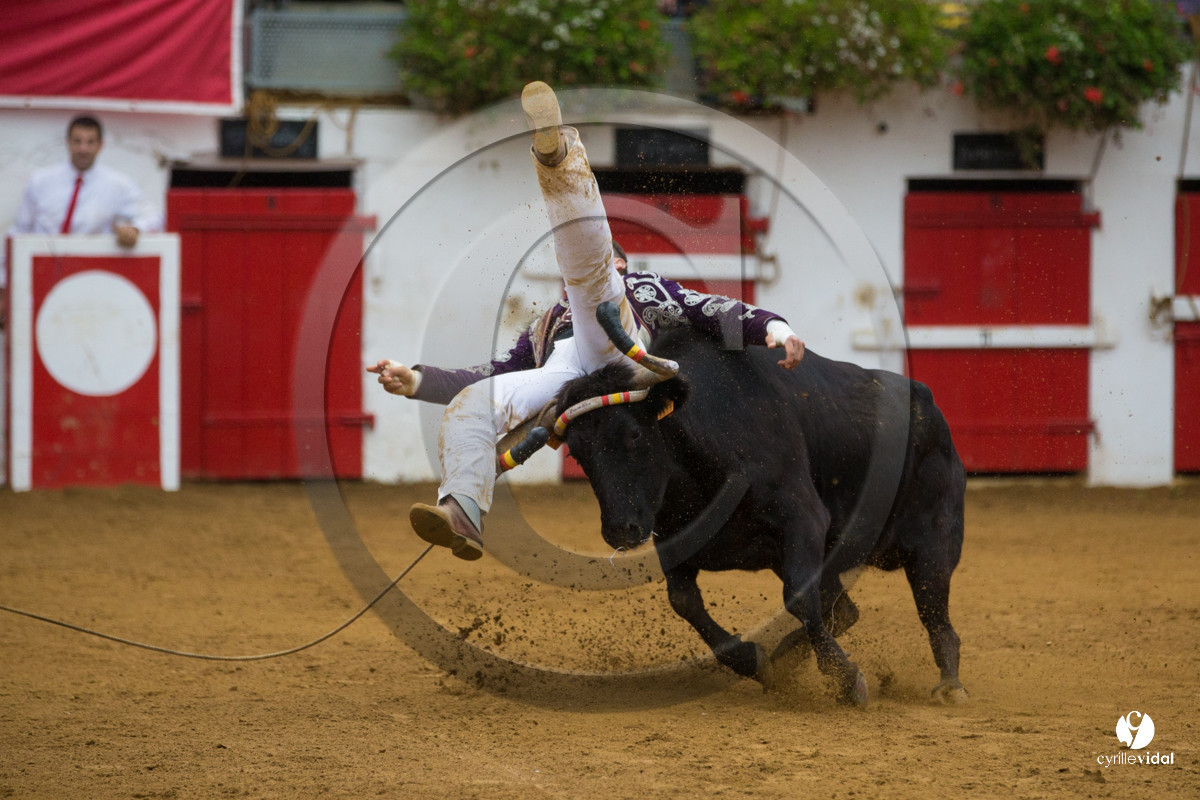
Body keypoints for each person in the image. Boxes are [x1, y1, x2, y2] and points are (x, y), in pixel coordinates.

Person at [367, 81, 804, 561]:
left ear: (623, 264)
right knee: (471, 405)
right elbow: (494, 374)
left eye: (612, 262)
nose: (605, 267)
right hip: (568, 380)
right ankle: (462, 510)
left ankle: (557, 161)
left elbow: (712, 309)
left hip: (625, 361)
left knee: (590, 282)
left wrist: (775, 329)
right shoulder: (547, 325)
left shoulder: (642, 288)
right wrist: (415, 380)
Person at [8, 114, 160, 251]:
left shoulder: (117, 184)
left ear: (100, 145)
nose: (83, 149)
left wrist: (134, 229)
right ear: (68, 142)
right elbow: (19, 231)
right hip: (43, 262)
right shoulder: (40, 181)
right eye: (77, 141)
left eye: (90, 142)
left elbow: (153, 217)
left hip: (91, 267)